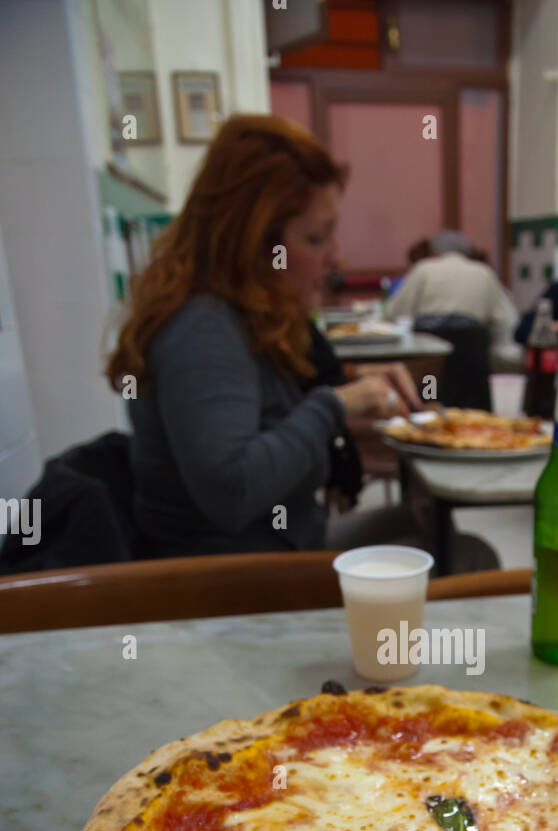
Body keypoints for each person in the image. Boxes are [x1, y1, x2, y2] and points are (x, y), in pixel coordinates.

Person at [106, 114, 423, 559]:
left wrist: (354, 386)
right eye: (315, 238)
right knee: (458, 560)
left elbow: (275, 426)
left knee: (426, 528)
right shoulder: (202, 328)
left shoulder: (238, 314)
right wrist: (335, 405)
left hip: (281, 547)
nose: (335, 257)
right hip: (234, 585)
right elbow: (232, 491)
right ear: (254, 243)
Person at [382, 229, 517, 346]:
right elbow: (506, 318)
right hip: (473, 355)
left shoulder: (423, 269)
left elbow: (394, 312)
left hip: (430, 357)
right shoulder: (484, 272)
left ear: (433, 250)